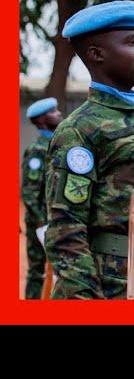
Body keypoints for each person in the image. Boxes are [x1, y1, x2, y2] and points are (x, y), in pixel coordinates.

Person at [45, 0, 134, 299]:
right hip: (109, 288)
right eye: (132, 42)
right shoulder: (81, 130)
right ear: (97, 54)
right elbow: (65, 231)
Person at [21, 97, 63, 298]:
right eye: (53, 112)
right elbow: (29, 192)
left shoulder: (58, 144)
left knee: (59, 273)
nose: (59, 114)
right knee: (37, 271)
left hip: (55, 220)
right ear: (42, 120)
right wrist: (42, 224)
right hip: (41, 222)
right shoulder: (38, 151)